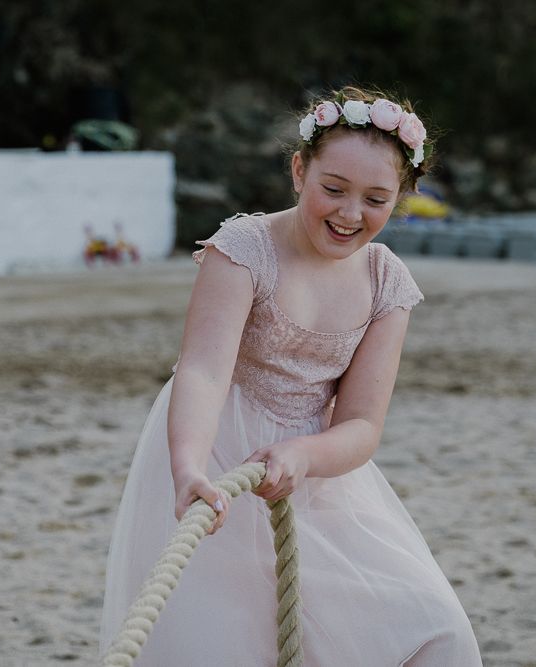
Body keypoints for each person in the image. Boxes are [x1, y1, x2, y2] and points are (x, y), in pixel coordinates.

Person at [100, 85, 483, 666]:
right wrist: (188, 468)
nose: (351, 214)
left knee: (433, 627)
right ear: (300, 170)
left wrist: (305, 455)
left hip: (317, 464)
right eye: (334, 189)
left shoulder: (387, 283)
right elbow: (203, 371)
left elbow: (360, 424)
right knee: (227, 637)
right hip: (214, 447)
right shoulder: (244, 249)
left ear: (402, 198)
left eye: (377, 199)